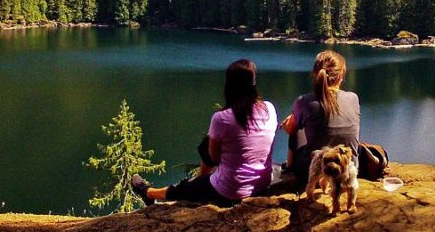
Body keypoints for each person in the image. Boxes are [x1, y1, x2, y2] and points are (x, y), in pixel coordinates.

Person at [131, 59, 276, 207]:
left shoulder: (222, 118)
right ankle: (165, 191)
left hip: (229, 190)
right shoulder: (269, 109)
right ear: (254, 82)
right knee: (202, 178)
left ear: (229, 85)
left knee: (189, 185)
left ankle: (148, 192)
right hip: (262, 185)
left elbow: (213, 157)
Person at [281, 50, 360, 185]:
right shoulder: (353, 98)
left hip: (315, 172)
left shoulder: (304, 101)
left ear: (315, 73)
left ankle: (289, 169)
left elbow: (289, 130)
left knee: (297, 129)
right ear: (341, 75)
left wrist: (289, 122)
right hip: (348, 170)